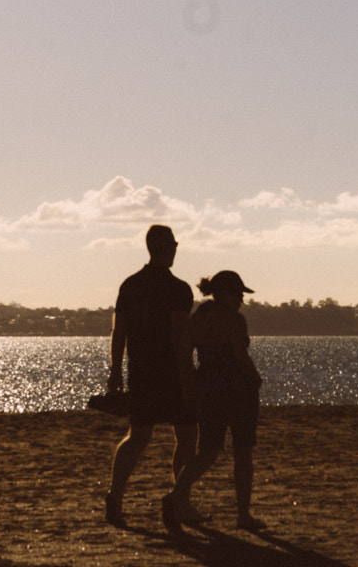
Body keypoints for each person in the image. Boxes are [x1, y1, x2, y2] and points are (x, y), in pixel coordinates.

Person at [105, 224, 195, 528]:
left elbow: (120, 331)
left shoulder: (130, 285)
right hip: (170, 372)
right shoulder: (178, 289)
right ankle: (179, 501)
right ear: (169, 248)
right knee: (187, 435)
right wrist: (187, 378)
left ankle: (115, 496)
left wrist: (116, 369)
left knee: (138, 436)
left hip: (141, 372)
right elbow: (179, 336)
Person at [163, 270, 264, 534]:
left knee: (207, 451)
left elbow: (184, 356)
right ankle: (243, 514)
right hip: (237, 390)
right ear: (224, 294)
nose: (241, 299)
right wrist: (256, 379)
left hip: (208, 389)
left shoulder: (198, 320)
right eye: (238, 294)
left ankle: (176, 496)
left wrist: (189, 390)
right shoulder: (235, 321)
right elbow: (240, 356)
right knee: (243, 452)